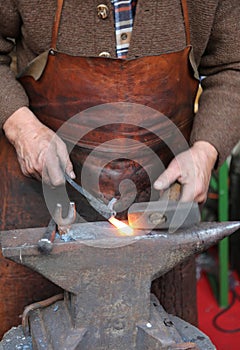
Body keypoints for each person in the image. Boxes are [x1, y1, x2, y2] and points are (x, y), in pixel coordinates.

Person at [0, 0, 239, 337]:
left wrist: (206, 149)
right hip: (36, 188)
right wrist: (20, 126)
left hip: (162, 203)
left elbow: (233, 65)